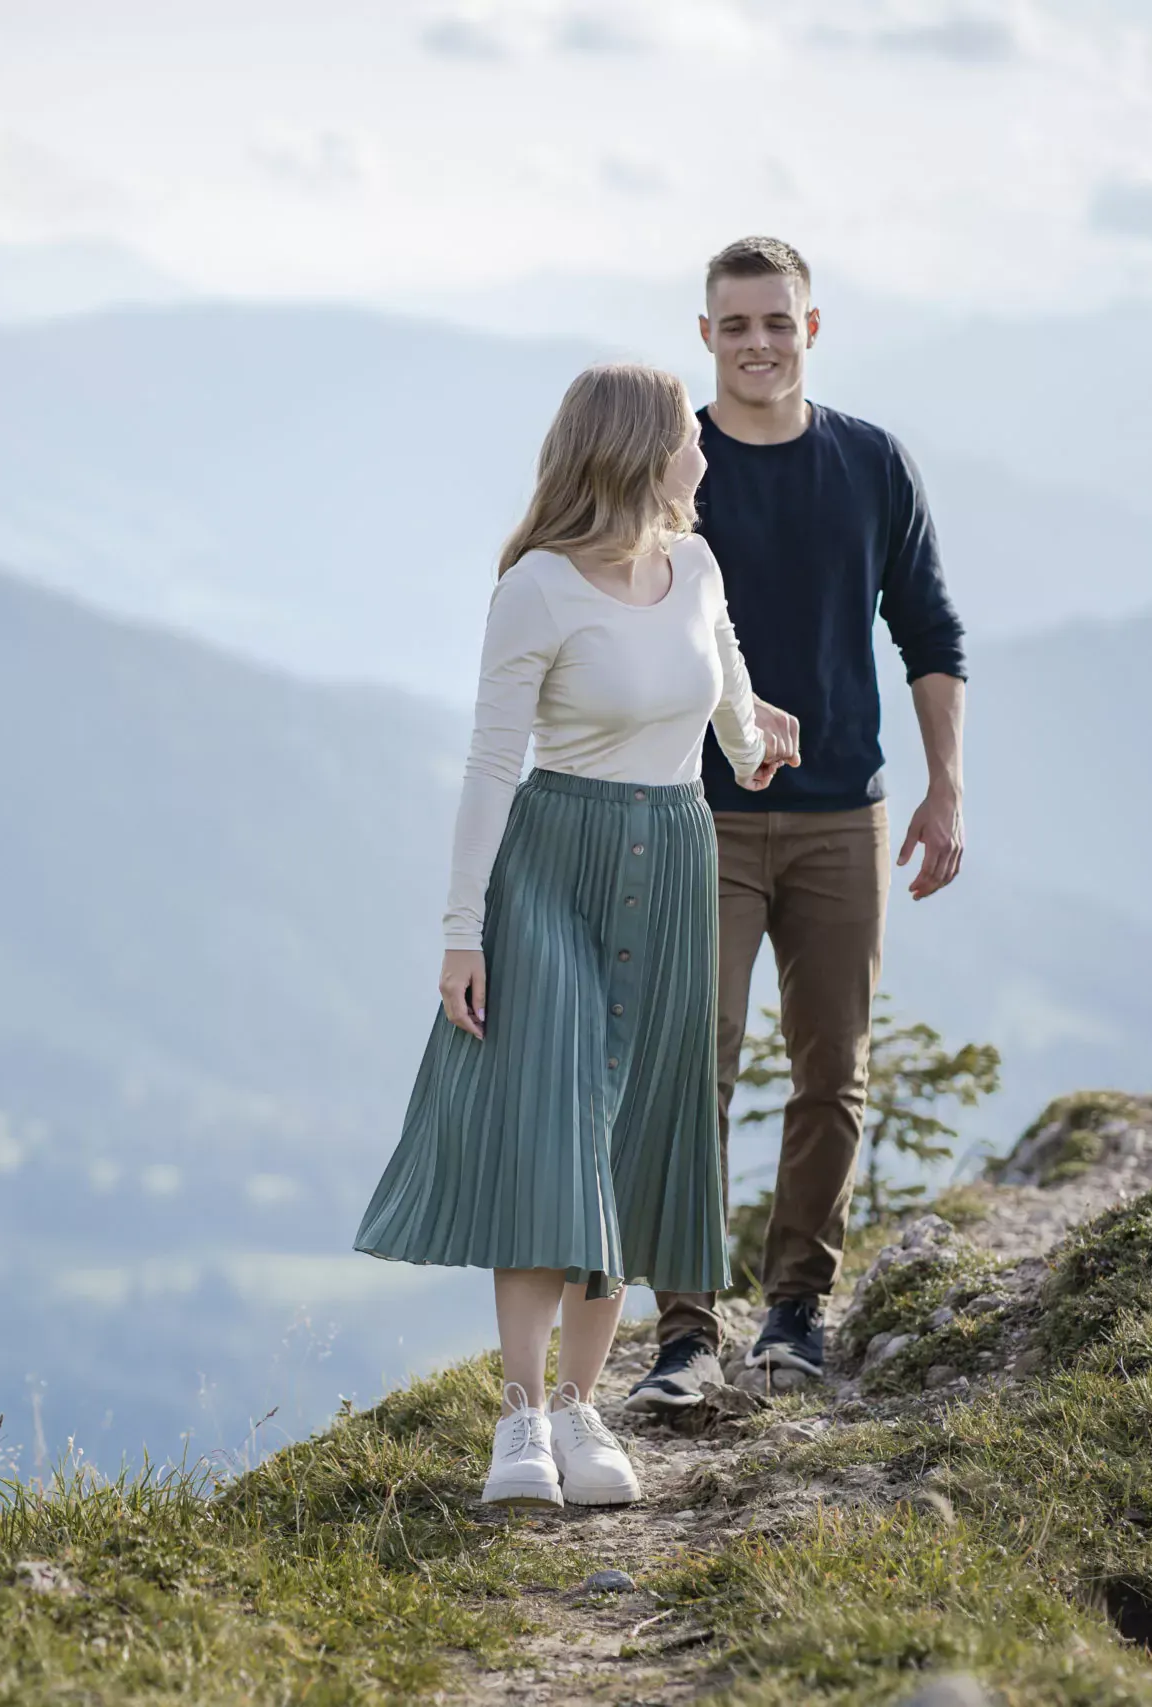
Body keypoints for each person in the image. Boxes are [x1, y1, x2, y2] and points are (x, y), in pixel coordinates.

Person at [354, 362, 801, 1506]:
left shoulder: (696, 566)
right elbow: (491, 761)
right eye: (686, 433)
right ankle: (519, 1419)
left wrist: (759, 746)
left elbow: (730, 708)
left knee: (631, 1141)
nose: (703, 447)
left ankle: (579, 1409)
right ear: (640, 451)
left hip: (677, 858)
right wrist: (463, 933)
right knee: (553, 1137)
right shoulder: (538, 588)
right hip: (552, 869)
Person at [625, 236, 969, 1413]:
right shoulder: (671, 469)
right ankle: (683, 1334)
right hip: (696, 817)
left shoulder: (870, 463)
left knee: (833, 1072)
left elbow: (929, 631)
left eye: (778, 321)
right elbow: (617, 627)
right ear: (704, 336)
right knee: (690, 1071)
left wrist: (945, 786)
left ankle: (794, 1312)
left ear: (810, 329)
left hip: (841, 820)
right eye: (735, 325)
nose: (758, 343)